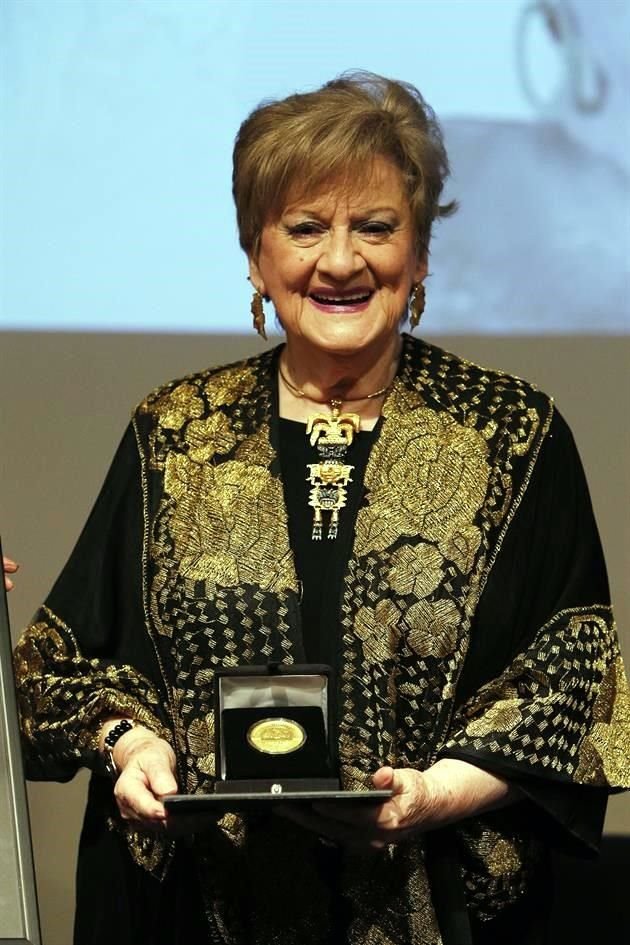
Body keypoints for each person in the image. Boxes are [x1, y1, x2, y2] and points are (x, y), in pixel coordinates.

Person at [13, 72, 629, 945]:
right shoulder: (175, 431)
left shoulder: (513, 433)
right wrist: (132, 748)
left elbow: (574, 687)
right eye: (305, 229)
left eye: (375, 227)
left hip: (436, 905)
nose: (341, 262)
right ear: (255, 255)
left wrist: (435, 793)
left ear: (420, 254)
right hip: (199, 909)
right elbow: (61, 669)